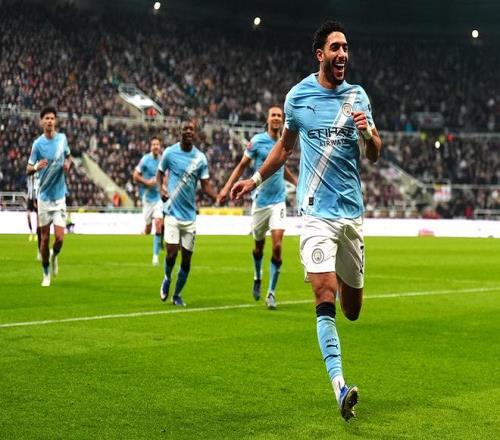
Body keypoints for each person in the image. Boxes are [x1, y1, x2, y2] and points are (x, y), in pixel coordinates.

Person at [230, 21, 382, 421]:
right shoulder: (298, 97)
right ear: (320, 54)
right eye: (335, 48)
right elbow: (284, 149)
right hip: (314, 214)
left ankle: (340, 282)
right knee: (323, 294)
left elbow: (374, 153)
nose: (343, 53)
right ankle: (339, 386)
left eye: (346, 47)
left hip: (351, 215)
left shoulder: (358, 97)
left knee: (352, 310)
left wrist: (368, 136)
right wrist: (254, 179)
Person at [218, 106, 297, 309]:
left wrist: (297, 182)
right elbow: (242, 166)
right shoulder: (257, 141)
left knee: (277, 246)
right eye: (273, 115)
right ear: (267, 119)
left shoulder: (285, 142)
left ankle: (271, 292)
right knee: (258, 247)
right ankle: (257, 276)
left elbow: (281, 167)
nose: (277, 118)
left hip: (278, 201)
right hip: (260, 202)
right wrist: (226, 187)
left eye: (279, 115)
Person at [157, 119, 218, 306]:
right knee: (171, 253)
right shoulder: (169, 153)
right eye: (186, 129)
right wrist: (160, 189)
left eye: (192, 129)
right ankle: (167, 277)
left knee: (186, 260)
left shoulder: (200, 158)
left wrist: (217, 197)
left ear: (195, 132)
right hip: (172, 213)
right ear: (180, 131)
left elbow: (205, 186)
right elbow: (159, 173)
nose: (189, 131)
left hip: (190, 217)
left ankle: (177, 294)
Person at [26, 107, 72, 287]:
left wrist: (68, 165)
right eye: (46, 118)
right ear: (41, 122)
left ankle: (54, 256)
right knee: (44, 239)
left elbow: (68, 157)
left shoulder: (62, 139)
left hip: (59, 197)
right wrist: (36, 167)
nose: (50, 121)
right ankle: (46, 273)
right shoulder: (37, 144)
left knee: (59, 238)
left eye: (52, 118)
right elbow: (28, 168)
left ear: (56, 121)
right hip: (44, 197)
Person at [133, 136, 164, 266]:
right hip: (147, 198)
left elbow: (166, 176)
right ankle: (147, 237)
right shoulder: (145, 159)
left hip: (158, 198)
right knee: (148, 228)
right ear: (151, 147)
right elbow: (135, 176)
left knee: (158, 222)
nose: (156, 146)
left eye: (157, 144)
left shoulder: (163, 160)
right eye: (153, 144)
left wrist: (164, 187)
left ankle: (155, 256)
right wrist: (147, 182)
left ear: (160, 146)